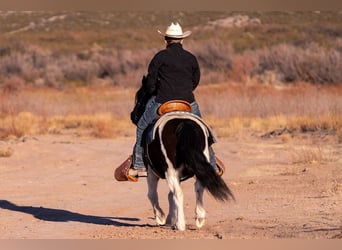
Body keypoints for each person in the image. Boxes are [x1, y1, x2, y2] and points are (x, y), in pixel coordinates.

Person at [115, 22, 224, 181]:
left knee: (142, 126)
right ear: (182, 40)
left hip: (163, 101)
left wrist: (157, 92)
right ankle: (212, 166)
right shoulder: (191, 58)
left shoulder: (160, 57)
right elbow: (196, 80)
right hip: (187, 101)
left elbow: (151, 82)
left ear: (166, 39)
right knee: (203, 131)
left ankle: (138, 166)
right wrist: (185, 91)